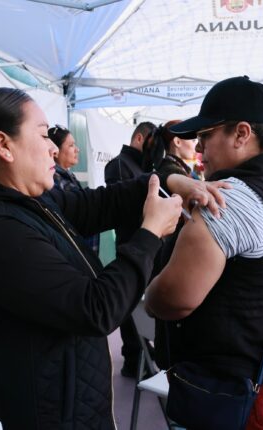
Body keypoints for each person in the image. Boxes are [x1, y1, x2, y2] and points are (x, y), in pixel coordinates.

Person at [0, 87, 224, 429]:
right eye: (42, 135)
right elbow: (96, 309)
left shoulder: (32, 201)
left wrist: (170, 181)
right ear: (2, 145)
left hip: (67, 404)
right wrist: (150, 235)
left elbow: (99, 203)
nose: (53, 147)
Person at [145, 76, 263, 430]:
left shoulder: (228, 201)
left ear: (242, 133)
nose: (199, 150)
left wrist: (148, 286)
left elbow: (173, 299)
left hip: (238, 383)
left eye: (205, 137)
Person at [103, 121, 158, 377]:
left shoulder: (144, 166)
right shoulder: (118, 165)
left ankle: (143, 352)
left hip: (147, 244)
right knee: (130, 303)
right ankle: (133, 356)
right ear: (139, 138)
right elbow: (121, 208)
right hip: (131, 243)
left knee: (144, 302)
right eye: (151, 143)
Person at [49, 124, 100, 254]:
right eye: (71, 145)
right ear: (55, 151)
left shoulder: (69, 176)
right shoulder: (53, 180)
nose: (77, 149)